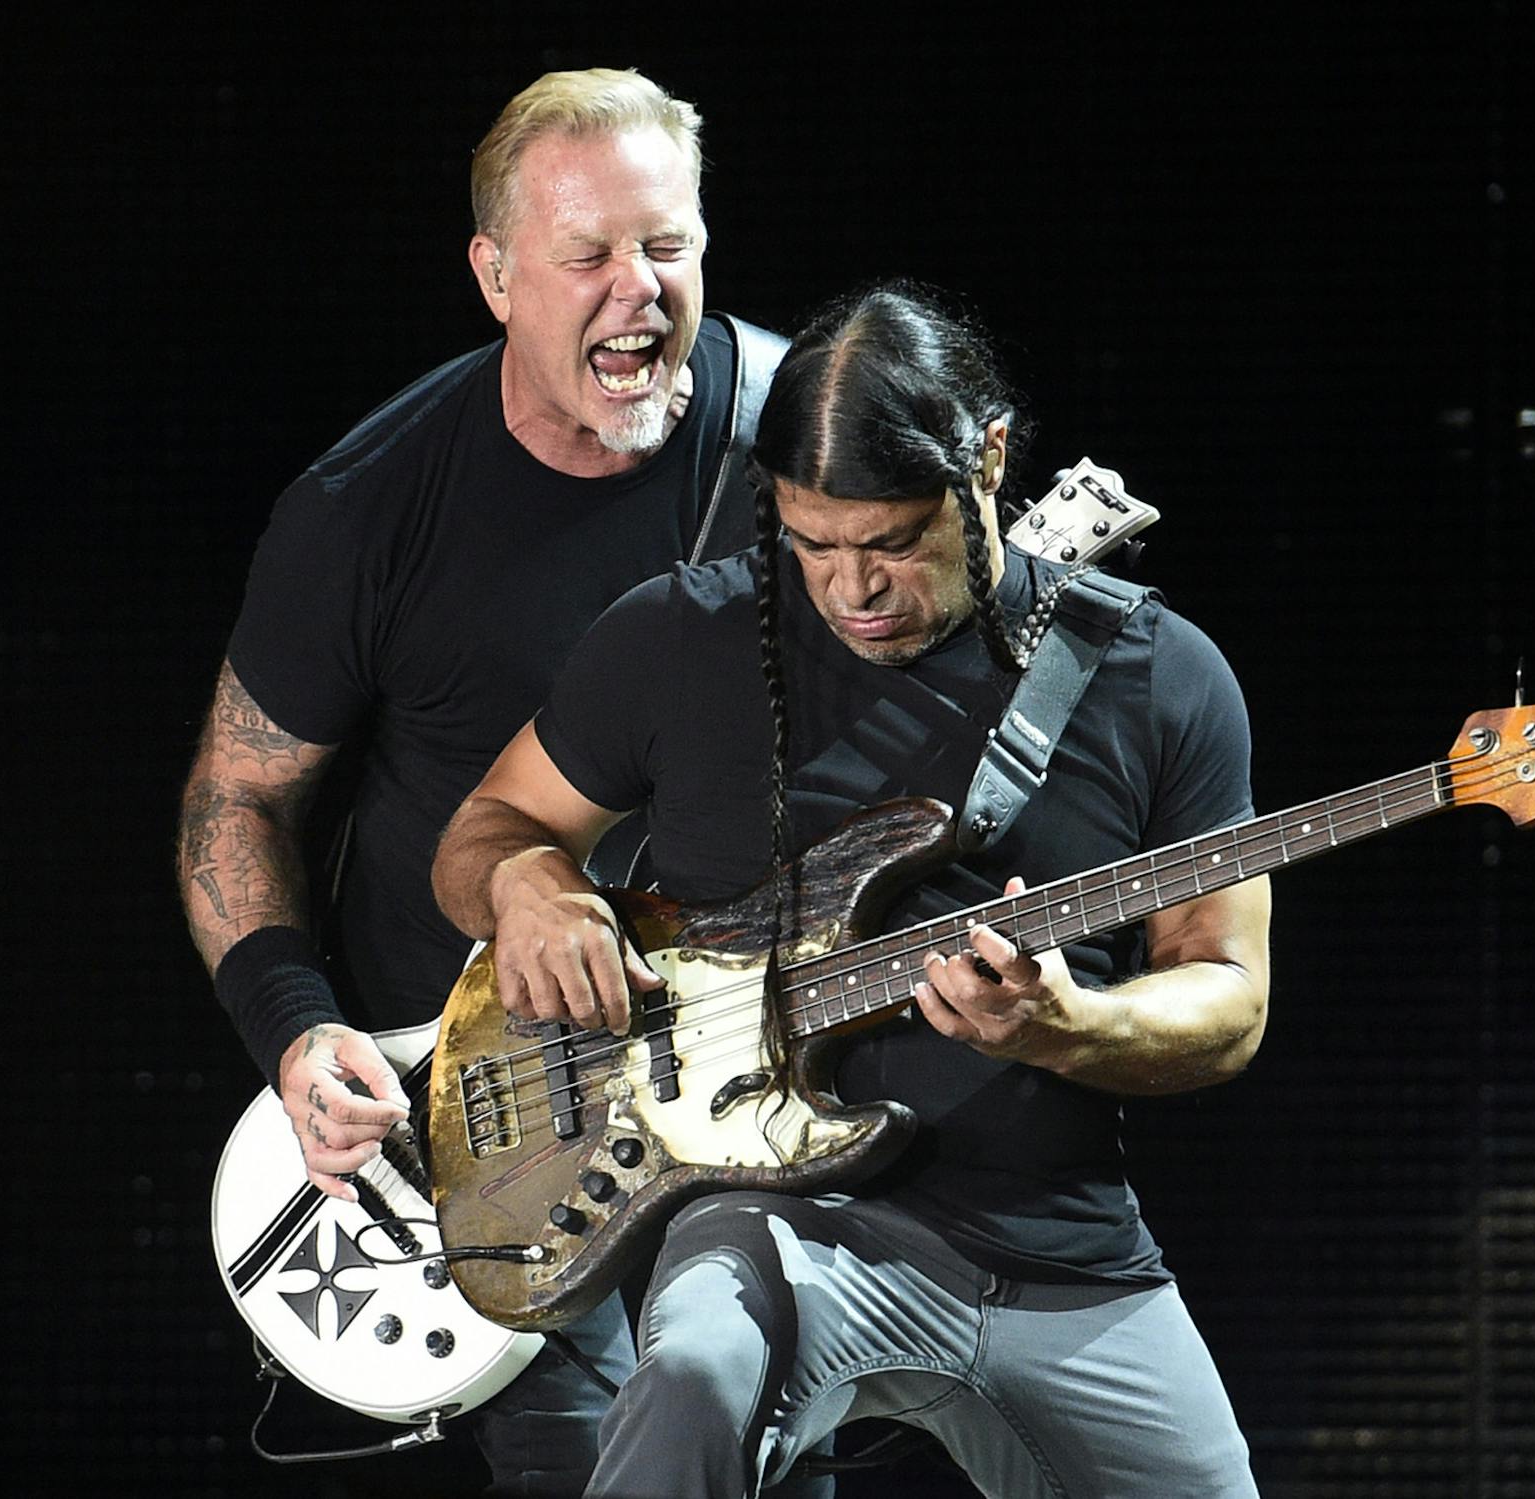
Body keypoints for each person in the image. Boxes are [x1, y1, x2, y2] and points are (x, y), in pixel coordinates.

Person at [430, 283, 1272, 1497]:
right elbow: (487, 828)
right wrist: (529, 884)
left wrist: (1070, 1024)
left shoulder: (1161, 675)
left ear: (988, 460)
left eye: (892, 543)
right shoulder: (673, 638)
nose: (851, 589)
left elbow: (1228, 995)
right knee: (696, 1369)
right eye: (812, 544)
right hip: (776, 1218)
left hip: (1060, 1248)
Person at [176, 68, 783, 1495]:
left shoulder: (803, 437)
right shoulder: (367, 505)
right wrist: (297, 1032)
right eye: (589, 256)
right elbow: (237, 801)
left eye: (669, 246)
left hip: (756, 1079)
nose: (639, 291)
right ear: (496, 276)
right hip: (502, 1123)